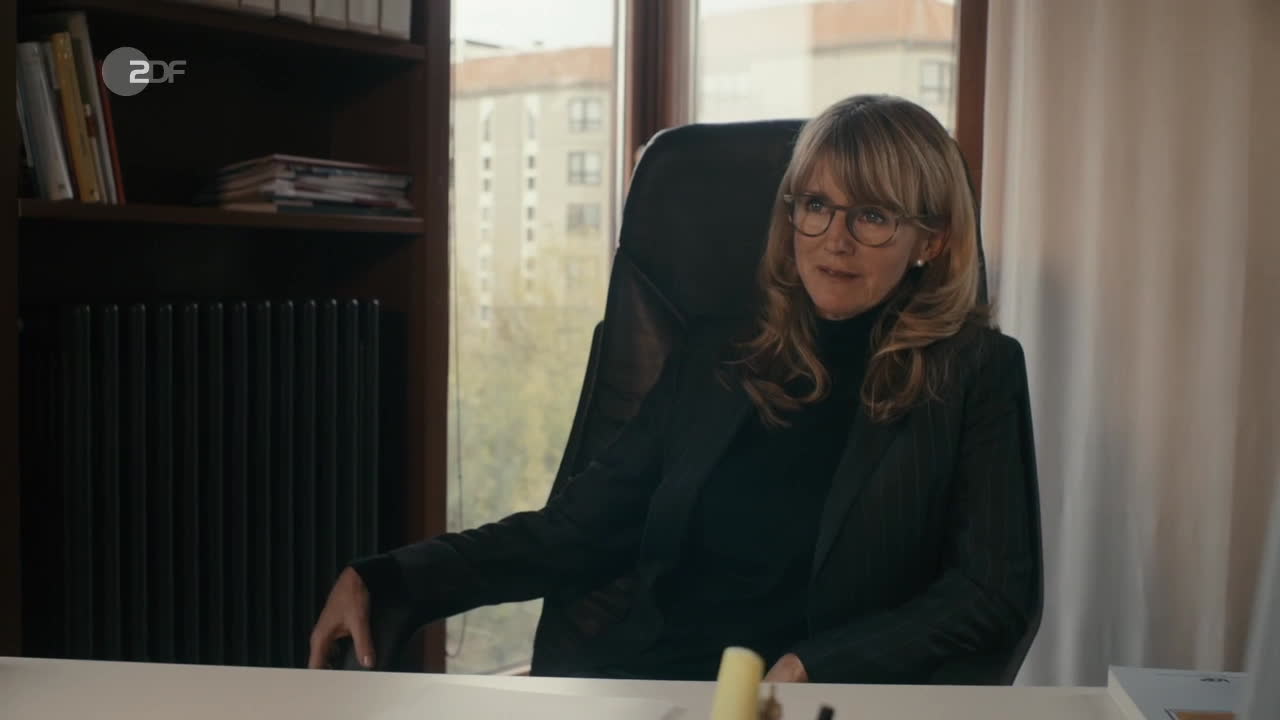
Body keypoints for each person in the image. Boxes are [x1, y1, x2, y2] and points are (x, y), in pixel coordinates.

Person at [307, 94, 1039, 684]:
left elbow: (991, 593)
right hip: (653, 688)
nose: (834, 238)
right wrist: (391, 579)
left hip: (818, 703)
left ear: (931, 240)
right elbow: (576, 530)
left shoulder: (975, 373)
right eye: (816, 205)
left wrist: (819, 665)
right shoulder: (721, 354)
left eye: (872, 215)